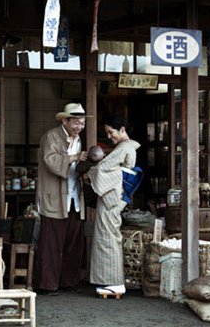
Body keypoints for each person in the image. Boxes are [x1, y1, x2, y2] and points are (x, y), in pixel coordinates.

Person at [34, 103, 90, 294]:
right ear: (64, 121)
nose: (79, 126)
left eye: (82, 123)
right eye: (75, 122)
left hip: (74, 196)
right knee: (51, 243)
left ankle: (68, 282)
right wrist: (74, 157)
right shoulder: (51, 136)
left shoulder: (78, 139)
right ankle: (47, 284)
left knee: (72, 243)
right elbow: (50, 161)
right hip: (54, 198)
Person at [87, 115, 141, 297]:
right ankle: (112, 281)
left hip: (112, 197)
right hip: (117, 196)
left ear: (122, 130)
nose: (110, 136)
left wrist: (90, 171)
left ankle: (113, 282)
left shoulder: (124, 147)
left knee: (106, 235)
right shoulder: (130, 146)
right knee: (110, 234)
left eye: (111, 132)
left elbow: (103, 168)